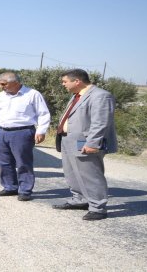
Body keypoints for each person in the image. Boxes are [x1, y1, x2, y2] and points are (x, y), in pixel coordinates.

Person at [53, 69, 117, 221]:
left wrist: (93, 143)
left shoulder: (100, 95)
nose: (63, 84)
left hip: (86, 142)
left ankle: (98, 208)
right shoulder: (77, 95)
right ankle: (80, 200)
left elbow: (101, 122)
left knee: (91, 175)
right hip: (68, 140)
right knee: (72, 173)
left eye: (65, 81)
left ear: (77, 81)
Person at [0, 72, 50, 201]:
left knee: (23, 162)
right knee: (4, 161)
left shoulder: (32, 94)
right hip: (0, 131)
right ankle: (9, 187)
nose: (1, 87)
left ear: (15, 82)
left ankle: (25, 190)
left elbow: (43, 114)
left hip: (22, 132)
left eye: (3, 84)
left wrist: (41, 131)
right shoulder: (0, 96)